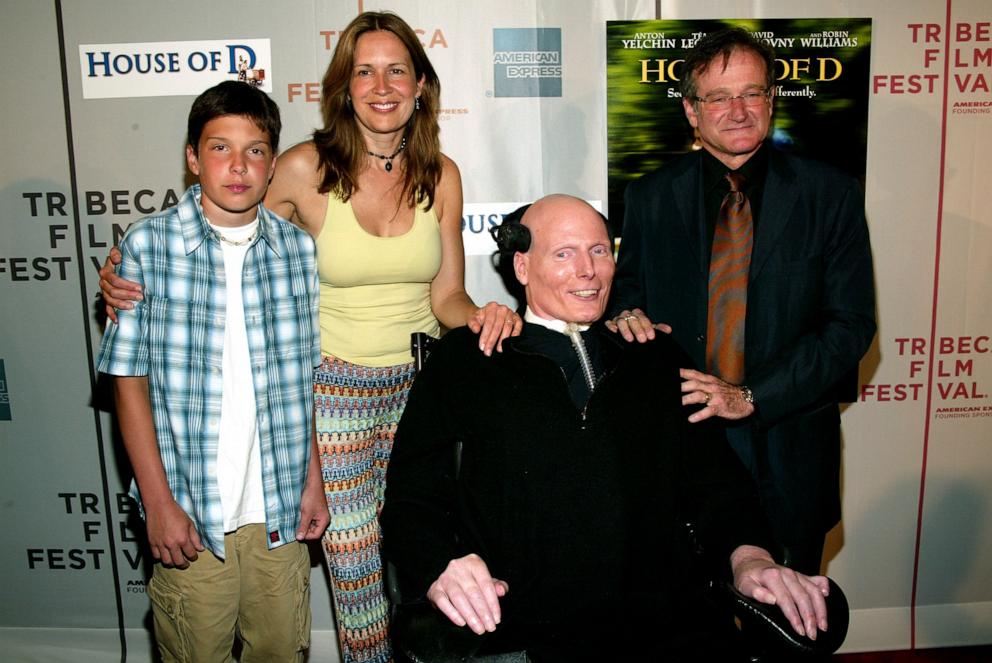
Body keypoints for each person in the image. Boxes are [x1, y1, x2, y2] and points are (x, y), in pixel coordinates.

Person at [98, 12, 521, 663]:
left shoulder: (443, 173)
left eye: (396, 69)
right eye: (363, 71)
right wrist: (127, 280)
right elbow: (225, 249)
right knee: (356, 586)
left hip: (423, 392)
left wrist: (490, 317)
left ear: (420, 84)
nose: (381, 85)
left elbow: (446, 297)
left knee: (427, 560)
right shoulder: (299, 168)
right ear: (343, 87)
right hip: (332, 398)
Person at [380, 195, 831, 661]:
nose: (588, 270)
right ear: (522, 267)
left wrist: (749, 556)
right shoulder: (468, 361)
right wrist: (441, 566)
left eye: (599, 251)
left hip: (664, 625)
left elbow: (718, 483)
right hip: (522, 629)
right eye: (563, 254)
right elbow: (411, 500)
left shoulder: (654, 356)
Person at [609, 28, 876, 575]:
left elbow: (850, 326)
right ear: (690, 110)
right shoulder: (649, 196)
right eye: (718, 97)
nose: (737, 110)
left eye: (751, 93)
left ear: (772, 100)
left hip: (791, 451)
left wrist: (751, 394)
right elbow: (626, 294)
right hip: (681, 457)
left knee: (788, 622)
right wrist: (625, 314)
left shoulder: (831, 194)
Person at [96, 80, 326, 662]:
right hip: (190, 511)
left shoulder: (297, 251)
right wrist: (158, 501)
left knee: (281, 649)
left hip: (277, 510)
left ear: (273, 164)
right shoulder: (148, 247)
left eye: (255, 150)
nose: (238, 166)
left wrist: (313, 478)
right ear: (193, 158)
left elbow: (303, 381)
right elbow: (129, 383)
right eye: (220, 148)